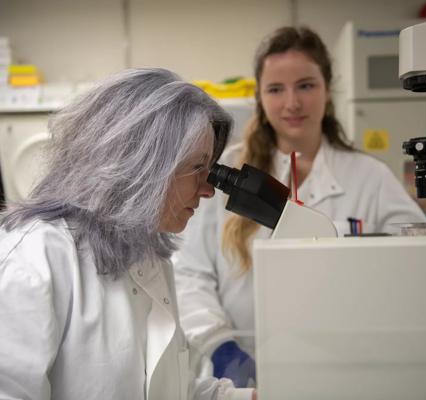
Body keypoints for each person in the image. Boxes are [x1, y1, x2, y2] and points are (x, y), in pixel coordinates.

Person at [174, 26, 426, 387]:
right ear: (260, 98)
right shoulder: (224, 175)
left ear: (328, 90)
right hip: (240, 376)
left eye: (306, 85)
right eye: (276, 89)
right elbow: (190, 274)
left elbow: (415, 269)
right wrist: (220, 347)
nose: (291, 103)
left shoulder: (370, 178)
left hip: (347, 371)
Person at [0, 68, 256, 400]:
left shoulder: (147, 255)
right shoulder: (34, 262)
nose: (209, 190)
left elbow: (174, 390)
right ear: (142, 165)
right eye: (197, 167)